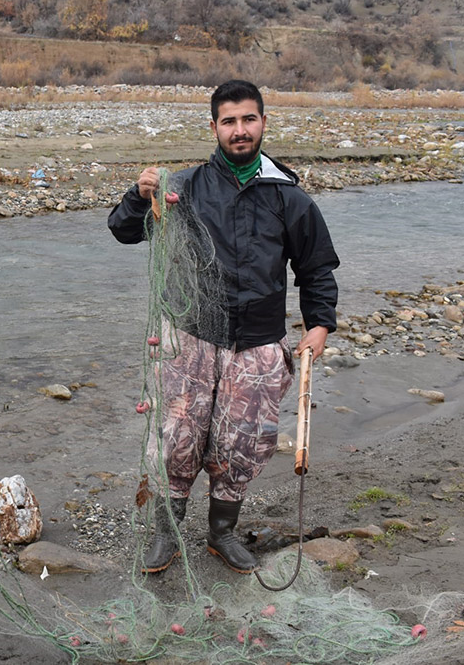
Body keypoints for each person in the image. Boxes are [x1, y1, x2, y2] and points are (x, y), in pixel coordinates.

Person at [108, 80, 339, 575]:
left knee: (243, 443)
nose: (240, 130)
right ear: (213, 127)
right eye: (229, 121)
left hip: (257, 343)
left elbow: (316, 268)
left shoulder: (289, 198)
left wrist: (319, 324)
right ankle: (165, 537)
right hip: (189, 337)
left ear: (263, 122)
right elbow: (124, 231)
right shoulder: (182, 187)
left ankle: (222, 533)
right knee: (176, 437)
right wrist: (137, 194)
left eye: (248, 119)